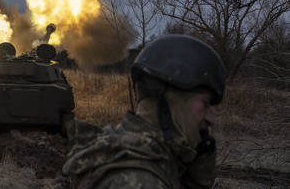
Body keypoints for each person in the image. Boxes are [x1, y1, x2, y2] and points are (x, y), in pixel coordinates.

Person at [62, 34, 226, 189]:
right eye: (205, 103)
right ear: (171, 101)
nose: (211, 118)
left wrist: (198, 168)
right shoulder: (138, 181)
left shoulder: (133, 149)